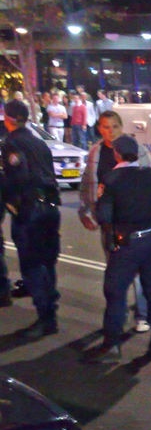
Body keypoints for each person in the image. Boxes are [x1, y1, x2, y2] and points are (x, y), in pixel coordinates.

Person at [85, 136, 151, 363]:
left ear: (117, 153)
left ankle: (112, 347)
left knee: (116, 294)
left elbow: (105, 216)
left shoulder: (111, 179)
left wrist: (108, 231)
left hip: (126, 244)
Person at [79, 111, 151, 332]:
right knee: (115, 270)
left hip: (134, 221)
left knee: (138, 271)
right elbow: (87, 183)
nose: (109, 132)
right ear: (99, 129)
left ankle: (142, 315)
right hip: (109, 222)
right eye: (104, 127)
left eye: (114, 127)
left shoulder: (137, 151)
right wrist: (86, 210)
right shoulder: (95, 151)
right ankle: (118, 316)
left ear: (122, 128)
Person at [1, 100, 62, 338]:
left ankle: (46, 317)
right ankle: (50, 307)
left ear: (11, 118)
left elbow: (18, 177)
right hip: (50, 207)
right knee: (47, 261)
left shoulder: (13, 143)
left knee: (33, 265)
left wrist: (8, 197)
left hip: (31, 210)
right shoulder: (39, 142)